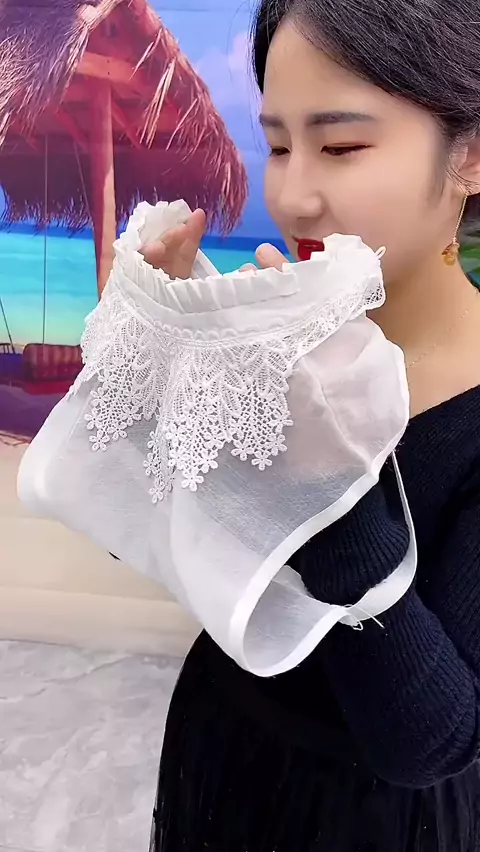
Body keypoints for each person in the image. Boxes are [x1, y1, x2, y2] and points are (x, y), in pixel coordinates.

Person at [143, 1, 480, 849]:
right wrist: (170, 355)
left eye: (340, 147)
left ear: (471, 155)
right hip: (221, 749)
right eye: (279, 146)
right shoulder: (277, 336)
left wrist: (327, 477)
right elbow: (176, 549)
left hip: (369, 819)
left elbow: (431, 741)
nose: (292, 198)